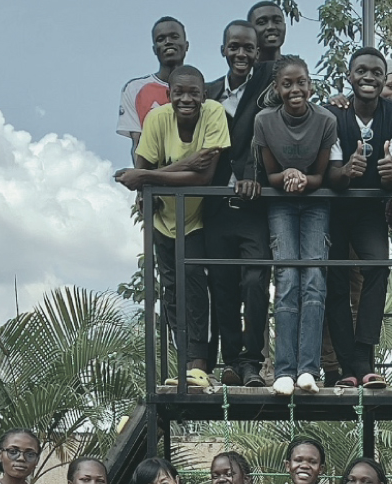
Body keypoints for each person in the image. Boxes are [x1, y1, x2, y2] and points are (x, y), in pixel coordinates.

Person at [118, 65, 232, 388]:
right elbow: (141, 176)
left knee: (195, 285)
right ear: (168, 95)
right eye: (179, 93)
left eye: (193, 93)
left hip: (196, 217)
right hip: (163, 218)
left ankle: (199, 364)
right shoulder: (157, 119)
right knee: (171, 292)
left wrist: (149, 176)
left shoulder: (214, 114)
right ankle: (184, 363)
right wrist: (182, 165)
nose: (186, 99)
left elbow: (204, 177)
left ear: (204, 95)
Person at [323, 47, 392, 389]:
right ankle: (347, 366)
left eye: (376, 72)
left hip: (370, 210)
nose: (369, 77)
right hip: (335, 209)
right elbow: (331, 175)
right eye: (361, 71)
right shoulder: (334, 113)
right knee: (335, 282)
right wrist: (346, 171)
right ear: (349, 76)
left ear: (384, 78)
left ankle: (363, 358)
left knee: (378, 267)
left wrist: (391, 174)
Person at [257, 54, 338, 396]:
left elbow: (321, 175)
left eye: (301, 82)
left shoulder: (326, 120)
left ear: (310, 85)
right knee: (287, 277)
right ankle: (284, 370)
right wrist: (288, 174)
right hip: (281, 202)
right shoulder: (264, 121)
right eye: (287, 84)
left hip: (315, 201)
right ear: (277, 88)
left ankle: (308, 369)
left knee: (314, 278)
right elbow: (269, 174)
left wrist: (304, 178)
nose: (295, 90)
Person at [206, 20, 275, 388]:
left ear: (258, 52)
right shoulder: (207, 92)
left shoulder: (268, 87)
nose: (241, 53)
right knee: (222, 285)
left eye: (249, 47)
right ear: (223, 50)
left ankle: (252, 361)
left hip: (253, 207)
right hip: (216, 206)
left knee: (254, 281)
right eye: (234, 46)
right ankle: (231, 361)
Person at [118, 16, 190, 159]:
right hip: (152, 171)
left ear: (186, 45)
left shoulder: (203, 90)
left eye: (174, 37)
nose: (168, 42)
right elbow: (138, 144)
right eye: (161, 39)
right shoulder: (134, 89)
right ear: (154, 49)